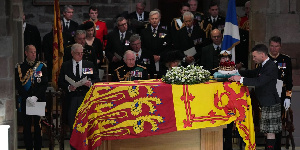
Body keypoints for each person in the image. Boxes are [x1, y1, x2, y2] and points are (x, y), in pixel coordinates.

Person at [229, 44, 281, 150]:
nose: (253, 59)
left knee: (270, 131)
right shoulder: (263, 65)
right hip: (265, 102)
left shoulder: (270, 66)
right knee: (267, 131)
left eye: (254, 56)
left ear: (262, 54)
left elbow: (259, 81)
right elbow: (252, 73)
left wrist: (240, 79)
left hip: (270, 102)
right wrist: (236, 72)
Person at [58, 44, 99, 147]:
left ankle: (86, 146)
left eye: (81, 53)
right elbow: (60, 81)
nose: (80, 55)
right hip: (71, 98)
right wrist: (68, 87)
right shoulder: (66, 65)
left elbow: (96, 79)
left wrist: (90, 83)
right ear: (72, 53)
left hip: (85, 98)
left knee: (85, 124)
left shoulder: (88, 64)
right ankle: (74, 147)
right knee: (73, 124)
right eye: (78, 53)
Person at [15, 45, 48, 150]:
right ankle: (29, 147)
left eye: (35, 52)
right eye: (31, 52)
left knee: (38, 126)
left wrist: (35, 97)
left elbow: (44, 84)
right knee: (27, 126)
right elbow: (18, 86)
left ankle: (38, 147)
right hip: (26, 100)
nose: (34, 54)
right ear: (26, 53)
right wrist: (27, 97)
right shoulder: (20, 67)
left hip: (37, 99)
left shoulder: (41, 66)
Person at [268, 36, 293, 150]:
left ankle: (277, 147)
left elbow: (289, 81)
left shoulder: (285, 60)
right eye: (272, 46)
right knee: (268, 125)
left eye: (276, 46)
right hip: (267, 95)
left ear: (280, 46)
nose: (274, 49)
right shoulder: (264, 58)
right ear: (269, 46)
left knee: (278, 124)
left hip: (281, 95)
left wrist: (288, 97)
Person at [140, 10, 171, 75]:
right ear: (149, 20)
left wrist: (159, 56)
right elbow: (142, 46)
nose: (154, 20)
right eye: (152, 19)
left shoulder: (165, 32)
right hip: (148, 62)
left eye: (156, 18)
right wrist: (152, 56)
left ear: (159, 19)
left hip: (161, 61)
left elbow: (168, 47)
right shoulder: (144, 32)